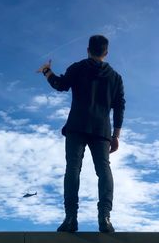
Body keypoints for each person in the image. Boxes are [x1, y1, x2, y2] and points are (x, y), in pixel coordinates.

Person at [37, 35, 125, 233]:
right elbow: (120, 106)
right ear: (106, 52)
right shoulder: (115, 77)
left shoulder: (77, 68)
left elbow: (60, 85)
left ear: (88, 49)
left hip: (77, 126)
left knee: (73, 169)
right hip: (102, 131)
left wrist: (46, 71)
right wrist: (116, 134)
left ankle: (70, 219)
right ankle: (105, 218)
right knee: (103, 170)